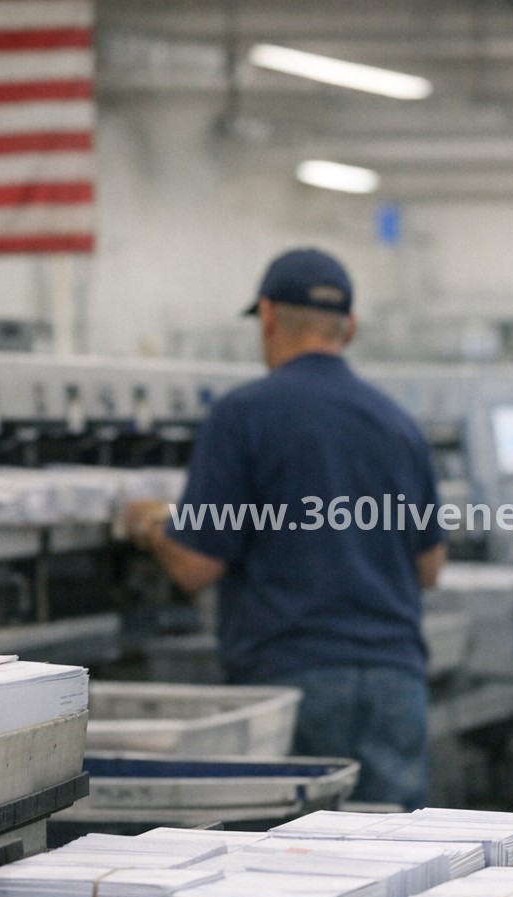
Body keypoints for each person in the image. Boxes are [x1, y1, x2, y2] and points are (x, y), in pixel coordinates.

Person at [125, 247, 447, 810]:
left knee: (298, 873)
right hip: (396, 682)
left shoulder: (244, 414)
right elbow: (430, 566)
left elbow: (196, 567)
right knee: (388, 866)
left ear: (267, 315)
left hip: (292, 682)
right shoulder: (397, 422)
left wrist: (149, 526)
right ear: (349, 327)